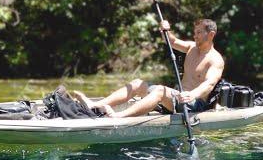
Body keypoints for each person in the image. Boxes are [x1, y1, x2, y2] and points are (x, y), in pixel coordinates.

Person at [74, 19, 225, 118]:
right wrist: (164, 29)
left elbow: (209, 84)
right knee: (138, 83)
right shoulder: (191, 47)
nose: (195, 35)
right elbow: (171, 41)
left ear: (211, 34)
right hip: (175, 98)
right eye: (195, 32)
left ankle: (119, 116)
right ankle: (95, 105)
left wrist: (192, 94)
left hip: (193, 105)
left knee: (159, 90)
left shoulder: (215, 60)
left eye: (199, 32)